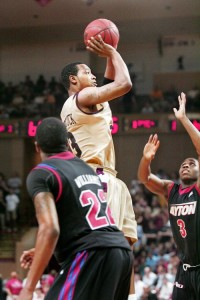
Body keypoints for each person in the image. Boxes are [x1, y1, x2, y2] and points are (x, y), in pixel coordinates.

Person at [18, 117, 133, 300]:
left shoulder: (42, 172)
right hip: (121, 253)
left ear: (37, 146)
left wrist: (28, 289)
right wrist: (42, 250)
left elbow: (50, 229)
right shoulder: (86, 169)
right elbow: (84, 221)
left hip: (91, 254)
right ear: (68, 143)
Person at [60, 35, 137, 299]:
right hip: (100, 181)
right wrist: (113, 51)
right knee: (113, 257)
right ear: (73, 79)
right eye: (87, 72)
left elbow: (107, 83)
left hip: (100, 181)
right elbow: (124, 84)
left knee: (123, 252)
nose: (93, 77)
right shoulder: (84, 97)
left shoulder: (77, 105)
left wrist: (107, 57)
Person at [137, 92, 200, 300]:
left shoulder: (198, 189)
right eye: (183, 164)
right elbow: (144, 178)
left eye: (192, 164)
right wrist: (146, 160)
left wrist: (183, 119)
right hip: (184, 268)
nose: (186, 165)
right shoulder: (171, 189)